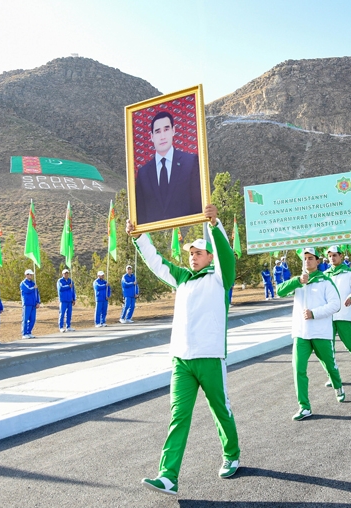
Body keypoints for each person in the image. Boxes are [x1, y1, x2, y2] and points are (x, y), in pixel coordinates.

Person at [127, 205, 239, 496]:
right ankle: (168, 476)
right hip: (182, 360)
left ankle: (231, 454)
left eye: (198, 253)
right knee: (178, 417)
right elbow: (156, 263)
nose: (193, 256)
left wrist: (215, 225)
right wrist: (139, 238)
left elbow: (226, 256)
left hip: (210, 358)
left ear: (210, 257)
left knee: (220, 409)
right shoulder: (182, 278)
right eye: (191, 253)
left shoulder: (220, 279)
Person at [277, 246, 343, 420]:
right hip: (301, 333)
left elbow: (336, 304)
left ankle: (338, 385)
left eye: (311, 258)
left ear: (318, 261)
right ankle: (304, 406)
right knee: (298, 369)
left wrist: (314, 313)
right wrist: (297, 281)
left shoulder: (325, 282)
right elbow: (279, 291)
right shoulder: (299, 281)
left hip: (320, 332)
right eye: (305, 258)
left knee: (329, 365)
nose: (307, 261)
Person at [135, 111, 202, 224]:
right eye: (157, 131)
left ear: (173, 131)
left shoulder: (190, 162)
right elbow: (141, 213)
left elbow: (197, 206)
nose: (162, 136)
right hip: (156, 237)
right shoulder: (143, 173)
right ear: (152, 137)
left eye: (166, 129)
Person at [323, 246, 351, 376]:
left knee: (350, 344)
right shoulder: (325, 275)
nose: (332, 258)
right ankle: (332, 376)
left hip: (343, 315)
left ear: (341, 256)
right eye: (330, 256)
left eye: (335, 255)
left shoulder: (349, 272)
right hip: (328, 317)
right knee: (328, 349)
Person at [20, 270, 40, 339]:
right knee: (25, 319)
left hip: (33, 303)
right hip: (27, 303)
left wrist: (38, 302)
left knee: (33, 319)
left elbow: (37, 293)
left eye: (32, 274)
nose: (31, 276)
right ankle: (24, 333)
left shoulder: (33, 283)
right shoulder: (23, 283)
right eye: (30, 274)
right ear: (26, 275)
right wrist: (33, 288)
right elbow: (27, 290)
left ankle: (29, 332)